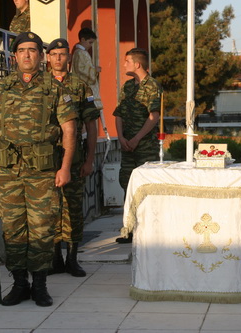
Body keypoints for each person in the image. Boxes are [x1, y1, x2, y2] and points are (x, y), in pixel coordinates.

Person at [0, 32, 77, 307]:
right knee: (12, 228)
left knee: (42, 228)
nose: (27, 55)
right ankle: (20, 284)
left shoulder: (55, 89)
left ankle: (40, 285)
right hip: (7, 170)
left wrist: (65, 167)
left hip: (43, 171)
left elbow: (69, 129)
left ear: (41, 55)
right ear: (15, 56)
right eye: (22, 50)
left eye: (33, 50)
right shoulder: (0, 88)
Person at [46, 38, 100, 277]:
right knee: (50, 209)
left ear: (69, 57)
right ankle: (55, 258)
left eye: (62, 54)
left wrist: (89, 160)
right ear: (48, 58)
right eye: (54, 54)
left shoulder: (80, 85)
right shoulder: (39, 84)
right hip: (46, 158)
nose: (58, 58)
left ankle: (72, 258)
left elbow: (91, 125)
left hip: (74, 158)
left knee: (73, 208)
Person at [113, 48, 162, 244]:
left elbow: (154, 116)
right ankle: (129, 230)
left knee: (146, 188)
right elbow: (118, 114)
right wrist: (121, 138)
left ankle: (147, 231)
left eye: (127, 61)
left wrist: (136, 139)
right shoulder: (127, 87)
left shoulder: (152, 86)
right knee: (127, 185)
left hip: (145, 147)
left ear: (137, 64)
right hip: (127, 146)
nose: (124, 65)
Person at [71, 27, 103, 111]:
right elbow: (81, 70)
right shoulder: (80, 53)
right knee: (88, 111)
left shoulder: (82, 52)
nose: (90, 45)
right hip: (84, 89)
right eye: (90, 42)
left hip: (86, 88)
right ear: (82, 39)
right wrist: (94, 70)